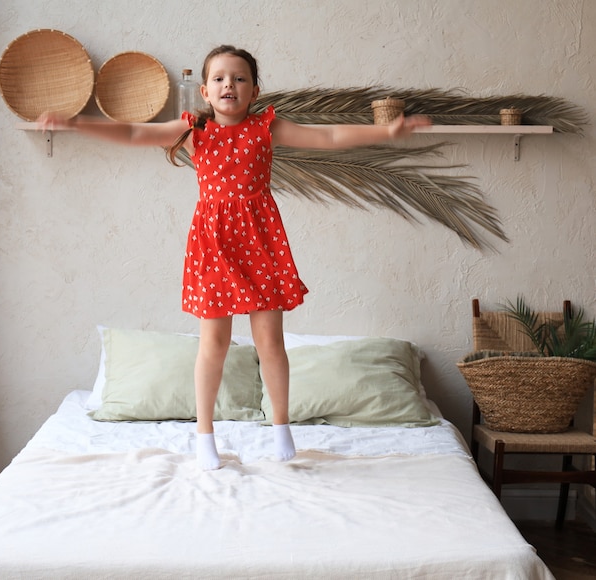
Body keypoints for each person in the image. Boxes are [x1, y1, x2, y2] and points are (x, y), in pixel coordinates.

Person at [38, 45, 430, 471]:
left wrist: (386, 133)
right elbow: (134, 134)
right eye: (221, 78)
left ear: (254, 90)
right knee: (214, 344)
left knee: (271, 343)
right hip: (214, 245)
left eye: (240, 78)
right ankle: (203, 434)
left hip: (261, 242)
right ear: (205, 91)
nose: (230, 85)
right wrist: (78, 124)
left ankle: (282, 426)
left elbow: (329, 137)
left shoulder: (266, 126)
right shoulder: (194, 131)